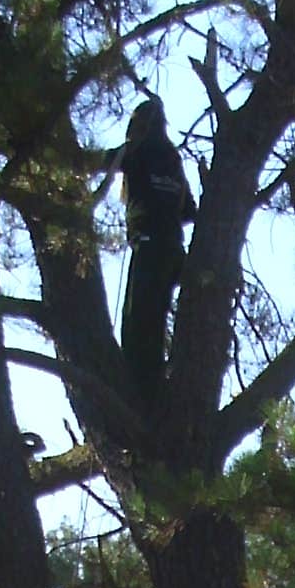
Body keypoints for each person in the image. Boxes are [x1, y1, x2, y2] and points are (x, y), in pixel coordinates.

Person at [117, 94, 194, 396]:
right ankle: (155, 383)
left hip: (148, 247)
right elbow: (189, 211)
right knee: (156, 321)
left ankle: (141, 390)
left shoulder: (136, 152)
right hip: (173, 250)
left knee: (136, 326)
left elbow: (96, 161)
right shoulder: (173, 159)